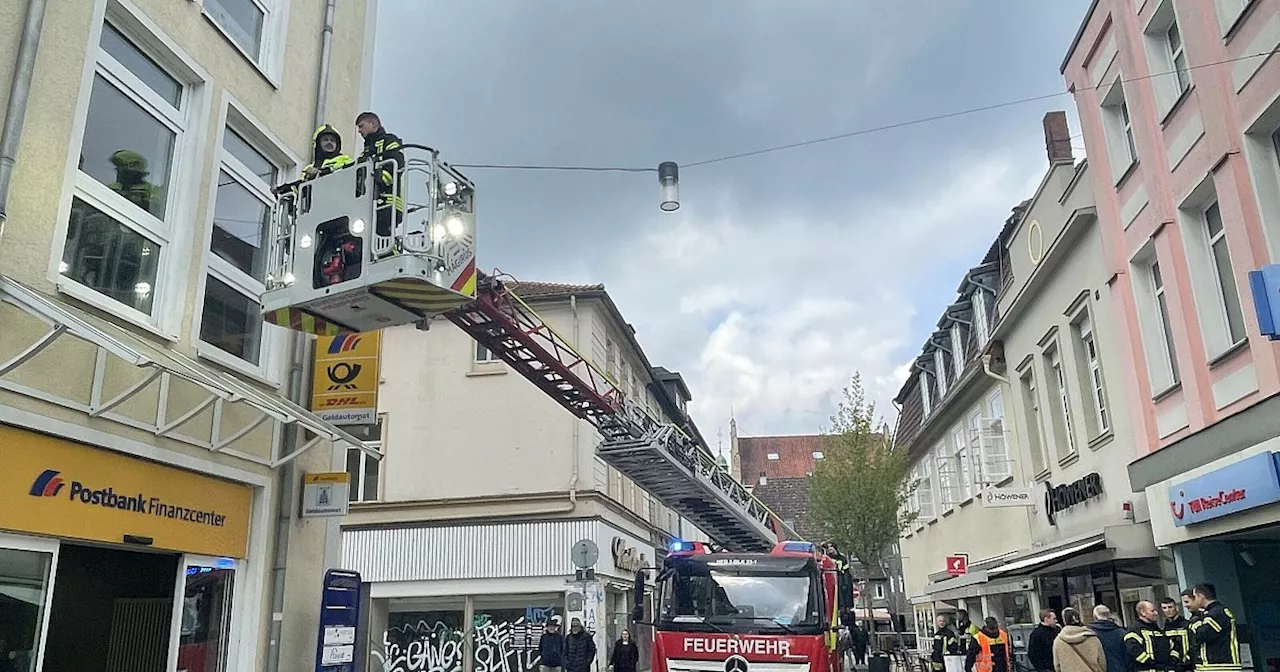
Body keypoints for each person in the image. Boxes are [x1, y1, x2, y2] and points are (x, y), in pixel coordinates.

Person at [355, 111, 406, 239]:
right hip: (368, 203)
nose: (359, 131)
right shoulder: (366, 152)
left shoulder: (389, 140)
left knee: (383, 238)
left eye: (361, 126)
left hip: (388, 201)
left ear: (373, 124)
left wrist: (380, 178)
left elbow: (397, 163)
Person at [1187, 584, 1241, 672]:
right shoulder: (1211, 613)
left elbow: (1203, 634)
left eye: (1195, 597)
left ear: (1201, 596)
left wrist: (1196, 620)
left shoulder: (1217, 613)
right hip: (1211, 666)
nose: (1194, 600)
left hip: (1221, 666)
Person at [1125, 601, 1180, 672]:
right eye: (1152, 611)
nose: (1156, 613)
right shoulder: (1134, 630)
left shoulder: (1156, 629)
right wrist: (1152, 663)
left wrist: (1172, 660)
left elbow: (1170, 645)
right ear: (1143, 612)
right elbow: (1134, 650)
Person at [1054, 607, 1107, 672]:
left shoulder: (1058, 641)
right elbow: (1102, 663)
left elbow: (1057, 666)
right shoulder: (1092, 638)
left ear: (1064, 620)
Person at [108, 149, 161, 214]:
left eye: (123, 170)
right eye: (117, 169)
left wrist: (141, 201)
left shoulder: (152, 191)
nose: (119, 174)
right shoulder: (111, 188)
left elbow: (157, 209)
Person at [1089, 605, 1132, 672]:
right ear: (1109, 616)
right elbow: (1128, 657)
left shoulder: (1089, 633)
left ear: (1094, 617)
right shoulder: (1121, 633)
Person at [1160, 598, 1193, 672]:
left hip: (1188, 666)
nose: (1168, 610)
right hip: (1172, 667)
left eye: (1170, 607)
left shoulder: (1187, 625)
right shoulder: (1163, 629)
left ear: (1176, 607)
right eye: (1164, 608)